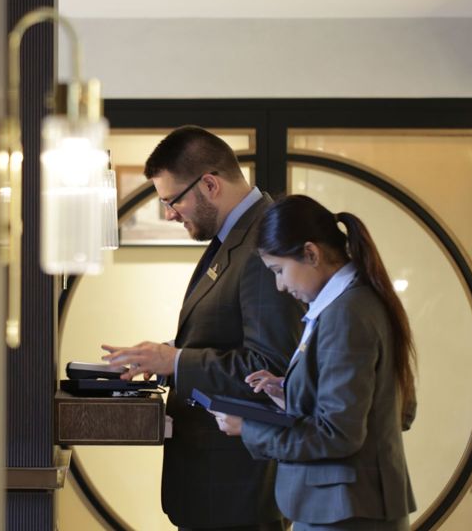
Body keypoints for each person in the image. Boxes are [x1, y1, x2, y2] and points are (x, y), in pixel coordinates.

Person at [102, 126, 303, 531]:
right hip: (213, 484)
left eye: (172, 201)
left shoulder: (262, 244)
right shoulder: (232, 240)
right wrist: (161, 358)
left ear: (209, 184)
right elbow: (221, 337)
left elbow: (269, 368)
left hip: (236, 486)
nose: (169, 214)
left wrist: (176, 361)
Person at [210, 194, 418, 530]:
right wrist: (291, 392)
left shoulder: (346, 313)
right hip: (349, 506)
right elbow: (393, 410)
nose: (279, 285)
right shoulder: (354, 302)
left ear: (311, 253)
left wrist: (249, 428)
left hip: (345, 512)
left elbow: (338, 434)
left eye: (279, 270)